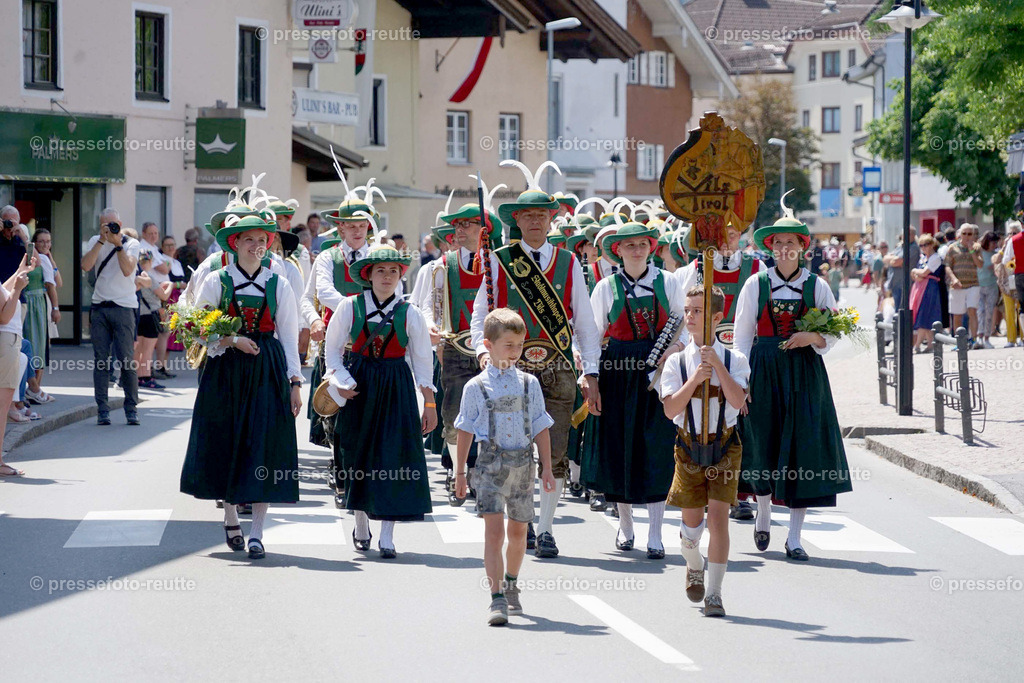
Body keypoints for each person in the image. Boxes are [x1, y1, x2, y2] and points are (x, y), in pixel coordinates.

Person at [471, 160, 602, 559]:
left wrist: (591, 371)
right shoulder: (498, 259)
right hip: (511, 367)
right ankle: (522, 522)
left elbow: (584, 322)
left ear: (550, 220)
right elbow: (481, 315)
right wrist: (482, 349)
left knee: (554, 450)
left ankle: (544, 528)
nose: (534, 221)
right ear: (517, 220)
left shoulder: (568, 262)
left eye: (541, 215)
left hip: (559, 368)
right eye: (526, 215)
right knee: (513, 450)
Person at [733, 198, 852, 562]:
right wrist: (741, 380)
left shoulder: (817, 286)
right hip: (764, 369)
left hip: (804, 373)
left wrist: (811, 338)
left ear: (804, 248)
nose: (785, 248)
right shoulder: (757, 283)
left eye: (792, 243)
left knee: (804, 449)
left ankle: (796, 537)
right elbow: (741, 335)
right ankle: (765, 509)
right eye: (778, 243)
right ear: (770, 248)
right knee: (761, 443)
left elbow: (833, 334)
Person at [180, 215, 303, 560]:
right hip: (225, 370)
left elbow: (290, 337)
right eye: (249, 240)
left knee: (262, 446)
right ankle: (231, 515)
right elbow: (196, 328)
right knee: (227, 441)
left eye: (262, 240)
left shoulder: (279, 284)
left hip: (267, 368)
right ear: (235, 244)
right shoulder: (217, 280)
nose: (257, 246)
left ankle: (258, 533)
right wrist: (232, 339)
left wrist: (294, 382)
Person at [323, 243, 436, 559]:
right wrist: (340, 381)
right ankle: (361, 522)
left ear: (401, 275)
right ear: (368, 275)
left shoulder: (409, 312)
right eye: (380, 271)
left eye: (393, 271)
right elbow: (332, 352)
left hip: (395, 385)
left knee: (392, 457)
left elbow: (423, 361)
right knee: (357, 452)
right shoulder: (350, 306)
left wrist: (429, 405)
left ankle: (387, 535)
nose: (387, 276)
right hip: (358, 384)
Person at [583, 221, 683, 559]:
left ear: (651, 247)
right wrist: (591, 377)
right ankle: (626, 526)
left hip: (659, 372)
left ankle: (656, 532)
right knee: (619, 447)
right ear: (618, 251)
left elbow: (685, 323)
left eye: (642, 244)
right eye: (629, 246)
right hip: (617, 373)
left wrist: (676, 349)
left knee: (656, 447)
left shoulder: (668, 281)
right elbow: (592, 336)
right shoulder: (605, 287)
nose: (637, 250)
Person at [454, 308, 556, 625]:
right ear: (489, 345)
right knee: (494, 533)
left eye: (519, 345)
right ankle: (496, 597)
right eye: (508, 345)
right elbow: (465, 430)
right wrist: (460, 472)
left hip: (523, 463)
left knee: (518, 532)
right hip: (490, 463)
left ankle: (512, 582)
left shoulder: (529, 384)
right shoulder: (475, 387)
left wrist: (548, 468)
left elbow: (541, 426)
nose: (514, 352)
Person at [660, 285, 750, 617]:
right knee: (691, 528)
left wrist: (718, 367)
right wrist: (697, 376)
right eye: (687, 310)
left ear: (716, 317)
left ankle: (715, 593)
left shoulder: (735, 359)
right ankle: (693, 562)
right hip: (688, 447)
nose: (690, 317)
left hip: (725, 446)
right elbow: (671, 410)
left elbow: (739, 402)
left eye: (698, 311)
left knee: (719, 518)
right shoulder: (676, 363)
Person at [674, 222, 765, 520]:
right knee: (701, 421)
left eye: (734, 234)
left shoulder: (756, 267)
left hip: (742, 356)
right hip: (702, 354)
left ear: (741, 237)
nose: (727, 240)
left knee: (741, 428)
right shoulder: (694, 268)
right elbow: (681, 313)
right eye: (720, 235)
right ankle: (699, 488)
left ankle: (741, 493)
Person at [424, 199, 502, 507]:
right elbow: (430, 305)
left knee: (493, 412)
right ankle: (458, 471)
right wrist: (432, 329)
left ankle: (483, 472)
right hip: (455, 346)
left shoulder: (499, 263)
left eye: (465, 224)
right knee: (456, 412)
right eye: (456, 225)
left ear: (485, 231)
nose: (458, 230)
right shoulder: (443, 264)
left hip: (492, 349)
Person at [80, 209, 142, 426]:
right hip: (100, 308)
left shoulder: (131, 244)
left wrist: (117, 244)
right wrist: (101, 242)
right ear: (100, 226)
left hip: (124, 308)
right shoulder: (95, 241)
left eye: (113, 224)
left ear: (120, 223)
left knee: (126, 360)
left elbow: (127, 270)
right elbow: (86, 265)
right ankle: (102, 410)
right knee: (101, 361)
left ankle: (131, 408)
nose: (109, 229)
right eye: (105, 225)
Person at [0, 255, 38, 476]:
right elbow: (4, 316)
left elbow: (3, 293)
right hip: (6, 340)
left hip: (7, 341)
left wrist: (18, 271)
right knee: (2, 408)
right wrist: (18, 289)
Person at [22, 229, 59, 403]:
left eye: (48, 241)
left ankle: (35, 387)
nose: (45, 244)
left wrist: (56, 308)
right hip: (31, 302)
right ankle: (32, 389)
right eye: (42, 241)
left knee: (40, 343)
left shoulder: (43, 259)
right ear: (34, 243)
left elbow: (55, 284)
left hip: (40, 303)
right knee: (33, 342)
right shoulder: (30, 257)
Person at [134, 252, 173, 389]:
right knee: (148, 350)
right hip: (151, 316)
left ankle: (138, 377)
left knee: (138, 349)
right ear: (150, 261)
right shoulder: (148, 276)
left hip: (139, 314)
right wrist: (170, 286)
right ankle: (146, 377)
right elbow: (163, 296)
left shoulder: (135, 276)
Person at [909, 234, 944, 352]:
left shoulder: (935, 258)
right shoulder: (923, 258)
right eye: (921, 245)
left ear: (932, 244)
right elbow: (917, 275)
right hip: (920, 288)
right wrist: (916, 275)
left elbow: (924, 272)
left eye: (926, 245)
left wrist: (915, 271)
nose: (924, 248)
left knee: (924, 315)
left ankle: (917, 345)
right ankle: (930, 344)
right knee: (924, 315)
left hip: (930, 288)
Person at [993, 222, 1022, 347]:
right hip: (1007, 284)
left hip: (1019, 279)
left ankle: (1022, 337)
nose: (1011, 235)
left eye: (1014, 233)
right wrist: (1004, 248)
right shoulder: (1007, 245)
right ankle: (1011, 339)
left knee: (1021, 309)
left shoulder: (1018, 242)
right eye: (1009, 233)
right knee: (1009, 311)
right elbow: (996, 260)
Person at [975, 231, 1000, 349]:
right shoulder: (979, 252)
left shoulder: (996, 254)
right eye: (993, 242)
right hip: (979, 286)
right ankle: (979, 337)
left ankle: (987, 337)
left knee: (989, 312)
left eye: (996, 242)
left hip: (991, 286)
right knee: (980, 312)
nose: (995, 244)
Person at [0, 206, 27, 285]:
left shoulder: (20, 241)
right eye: (7, 222)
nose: (9, 226)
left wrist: (24, 237)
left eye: (13, 222)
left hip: (16, 291)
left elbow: (37, 262)